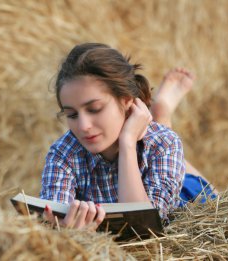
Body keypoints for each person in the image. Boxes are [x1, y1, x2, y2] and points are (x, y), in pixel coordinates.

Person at [40, 43, 216, 231]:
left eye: (94, 109)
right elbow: (52, 220)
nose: (83, 126)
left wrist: (128, 142)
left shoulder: (164, 143)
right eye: (72, 115)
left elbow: (144, 228)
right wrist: (66, 232)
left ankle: (161, 115)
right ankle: (158, 118)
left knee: (209, 192)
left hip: (181, 199)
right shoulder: (63, 152)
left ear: (126, 101)